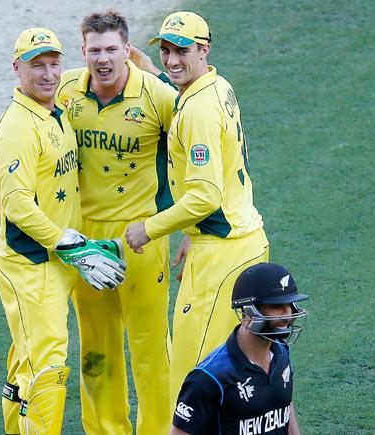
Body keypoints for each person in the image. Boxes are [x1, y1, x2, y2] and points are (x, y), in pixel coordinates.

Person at [125, 11, 270, 406]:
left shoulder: (198, 111)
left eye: (182, 51)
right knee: (237, 372)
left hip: (222, 255)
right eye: (167, 50)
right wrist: (154, 72)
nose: (173, 59)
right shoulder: (217, 86)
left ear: (203, 50)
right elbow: (187, 103)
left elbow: (204, 196)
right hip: (239, 239)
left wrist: (148, 229)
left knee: (196, 381)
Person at [0, 28, 125, 435]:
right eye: (36, 66)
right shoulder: (17, 129)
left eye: (53, 64)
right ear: (17, 69)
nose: (48, 74)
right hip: (30, 263)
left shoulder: (53, 111)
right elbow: (17, 206)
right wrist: (65, 240)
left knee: (26, 358)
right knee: (47, 365)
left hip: (55, 260)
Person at [56, 10, 178, 434]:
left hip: (142, 236)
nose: (102, 59)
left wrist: (191, 231)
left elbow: (196, 152)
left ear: (128, 50)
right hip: (87, 239)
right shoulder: (66, 89)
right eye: (94, 50)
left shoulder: (158, 97)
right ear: (83, 51)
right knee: (97, 348)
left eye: (112, 50)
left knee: (150, 350)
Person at [170, 262, 307, 435]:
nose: (287, 314)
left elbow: (284, 405)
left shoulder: (281, 352)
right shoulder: (209, 379)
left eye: (290, 304)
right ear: (249, 310)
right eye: (276, 306)